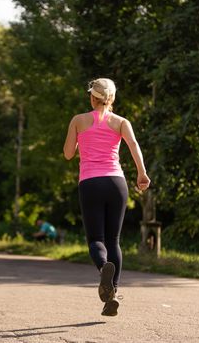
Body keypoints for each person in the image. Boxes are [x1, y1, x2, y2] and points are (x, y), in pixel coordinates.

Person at [63, 78, 150, 316]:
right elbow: (133, 144)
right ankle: (113, 293)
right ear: (112, 99)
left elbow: (69, 154)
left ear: (92, 97)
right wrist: (142, 173)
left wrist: (81, 139)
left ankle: (104, 269)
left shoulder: (79, 120)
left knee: (96, 241)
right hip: (116, 183)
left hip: (90, 183)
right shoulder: (121, 122)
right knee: (114, 241)